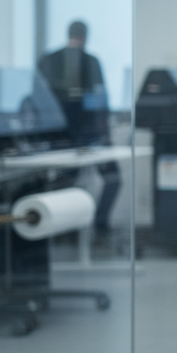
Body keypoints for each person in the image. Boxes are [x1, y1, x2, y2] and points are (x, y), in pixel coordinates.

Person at [38, 20, 121, 236]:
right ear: (85, 37)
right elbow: (100, 101)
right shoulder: (91, 62)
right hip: (90, 135)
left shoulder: (48, 60)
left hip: (59, 136)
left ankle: (65, 229)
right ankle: (99, 226)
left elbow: (38, 100)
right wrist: (104, 135)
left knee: (67, 181)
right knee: (113, 178)